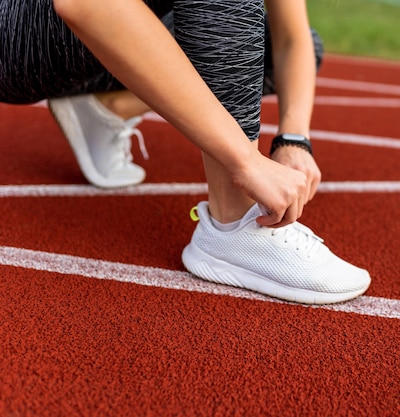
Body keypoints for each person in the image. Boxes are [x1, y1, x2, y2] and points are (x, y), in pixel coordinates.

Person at [0, 0, 371, 304]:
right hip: (15, 34)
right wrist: (245, 162)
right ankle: (234, 221)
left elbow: (292, 38)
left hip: (88, 50)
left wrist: (294, 140)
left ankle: (106, 109)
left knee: (271, 41)